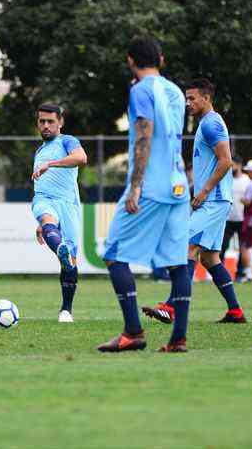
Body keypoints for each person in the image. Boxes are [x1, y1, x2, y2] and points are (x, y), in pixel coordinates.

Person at [98, 36, 191, 353]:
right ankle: (178, 339)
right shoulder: (176, 91)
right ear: (161, 60)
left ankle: (133, 331)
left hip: (152, 185)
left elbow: (145, 134)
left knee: (113, 253)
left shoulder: (140, 90)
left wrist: (135, 185)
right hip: (179, 183)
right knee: (178, 263)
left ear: (130, 61)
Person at [144, 78, 247, 325]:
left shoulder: (211, 124)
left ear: (206, 98)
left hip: (214, 200)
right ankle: (235, 311)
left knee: (185, 246)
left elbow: (226, 161)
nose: (187, 103)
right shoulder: (206, 123)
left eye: (192, 98)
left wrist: (204, 191)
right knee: (209, 257)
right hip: (215, 199)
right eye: (186, 98)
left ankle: (171, 306)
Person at [31, 103, 87, 322]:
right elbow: (42, 186)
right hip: (44, 201)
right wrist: (43, 224)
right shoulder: (39, 150)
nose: (45, 126)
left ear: (60, 123)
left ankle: (66, 310)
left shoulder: (67, 141)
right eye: (41, 121)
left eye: (50, 121)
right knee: (46, 216)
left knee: (70, 262)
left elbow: (81, 158)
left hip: (68, 205)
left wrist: (50, 164)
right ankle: (54, 236)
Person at [220, 156, 250, 279]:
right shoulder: (227, 179)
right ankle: (219, 274)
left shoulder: (247, 180)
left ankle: (240, 273)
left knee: (243, 247)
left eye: (234, 165)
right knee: (222, 246)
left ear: (239, 165)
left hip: (243, 219)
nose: (232, 167)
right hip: (228, 219)